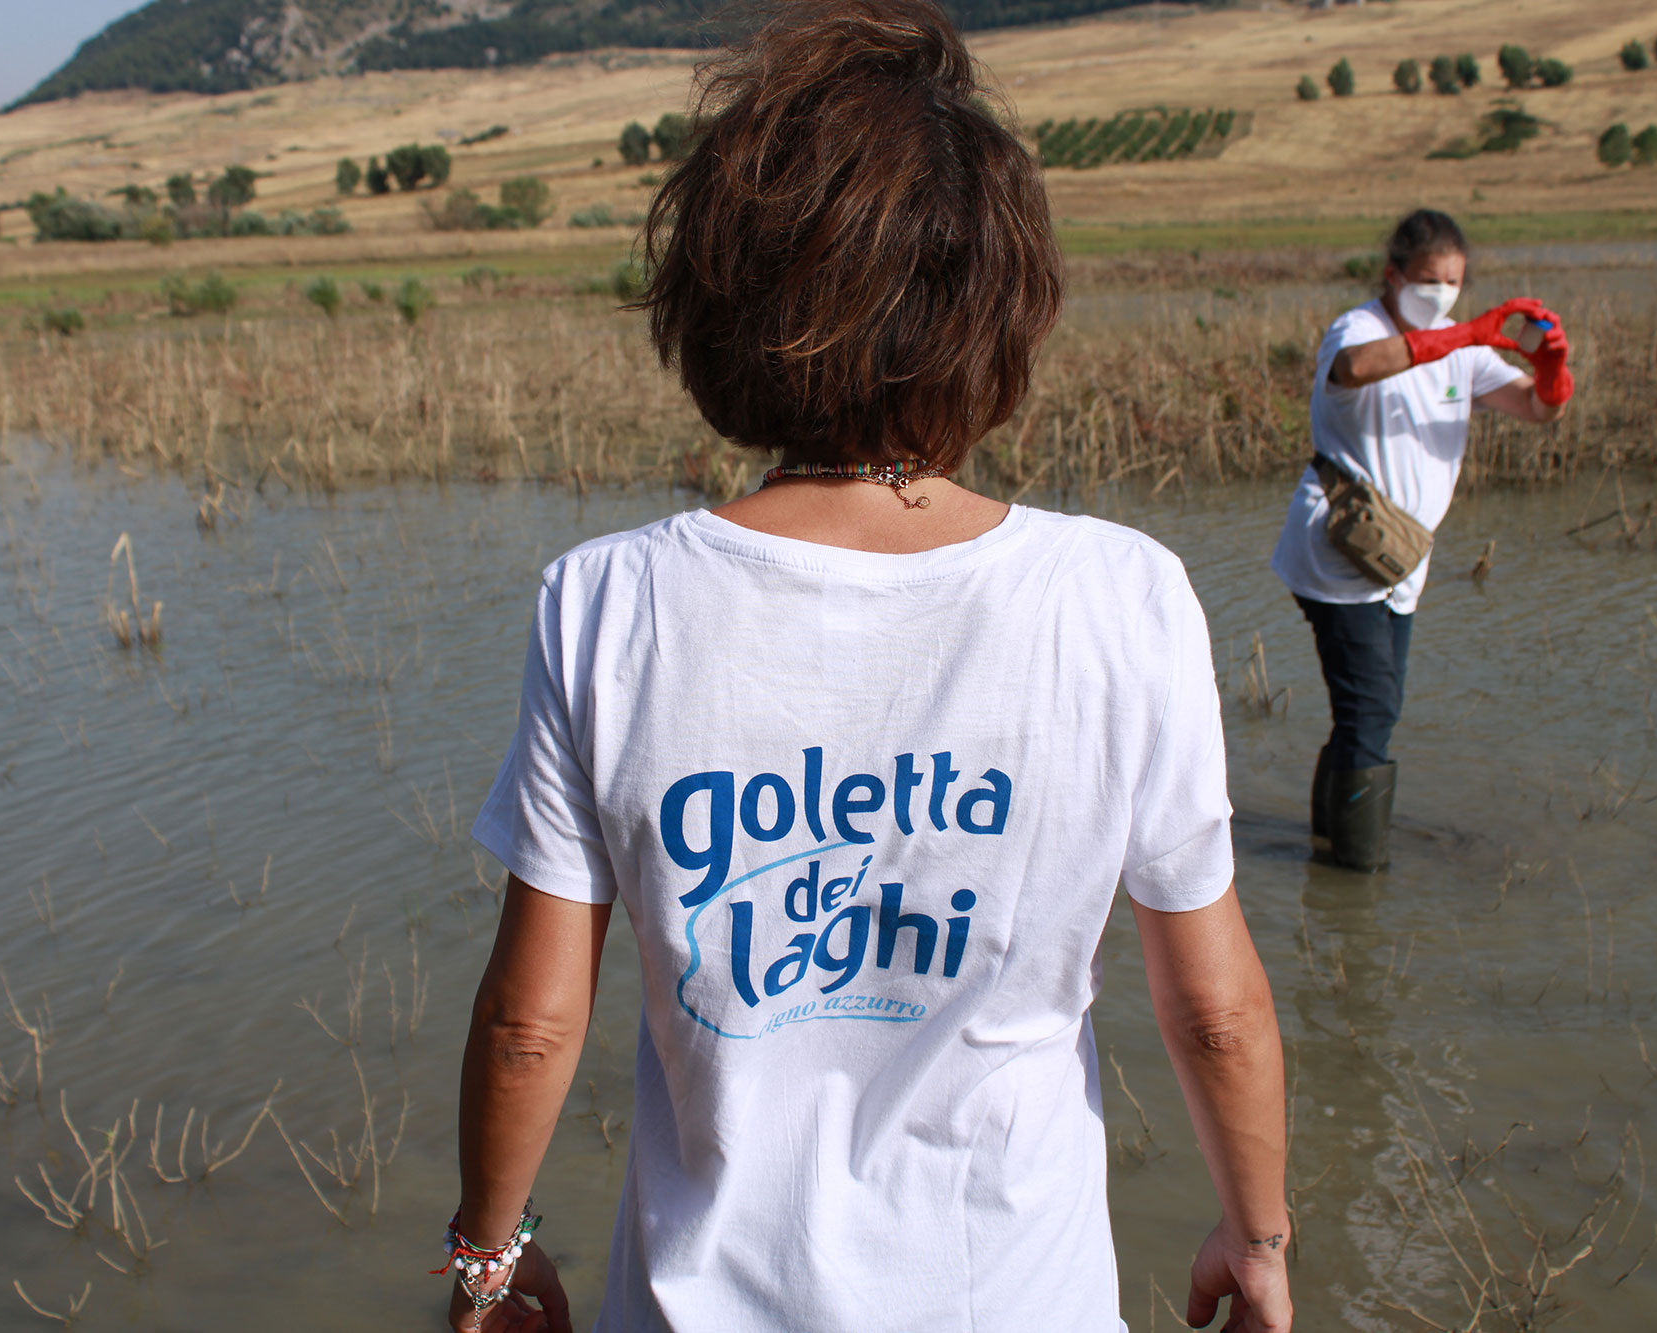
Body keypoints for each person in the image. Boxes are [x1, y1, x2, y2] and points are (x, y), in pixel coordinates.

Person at [445, 4, 1292, 1331]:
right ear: (1000, 309)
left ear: (720, 300)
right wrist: (1260, 1237)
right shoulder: (1120, 597)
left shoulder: (610, 601)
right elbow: (1217, 1011)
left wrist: (488, 1253)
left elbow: (528, 1026)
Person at [1269, 209, 1573, 874]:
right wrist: (1467, 333)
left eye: (1454, 282)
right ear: (1394, 274)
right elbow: (1353, 368)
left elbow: (1537, 408)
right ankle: (1357, 875)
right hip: (1340, 552)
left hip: (1400, 560)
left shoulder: (1461, 348)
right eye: (1428, 279)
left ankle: (1330, 847)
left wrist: (1550, 369)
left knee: (1367, 711)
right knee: (1371, 710)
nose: (1439, 293)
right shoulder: (1360, 328)